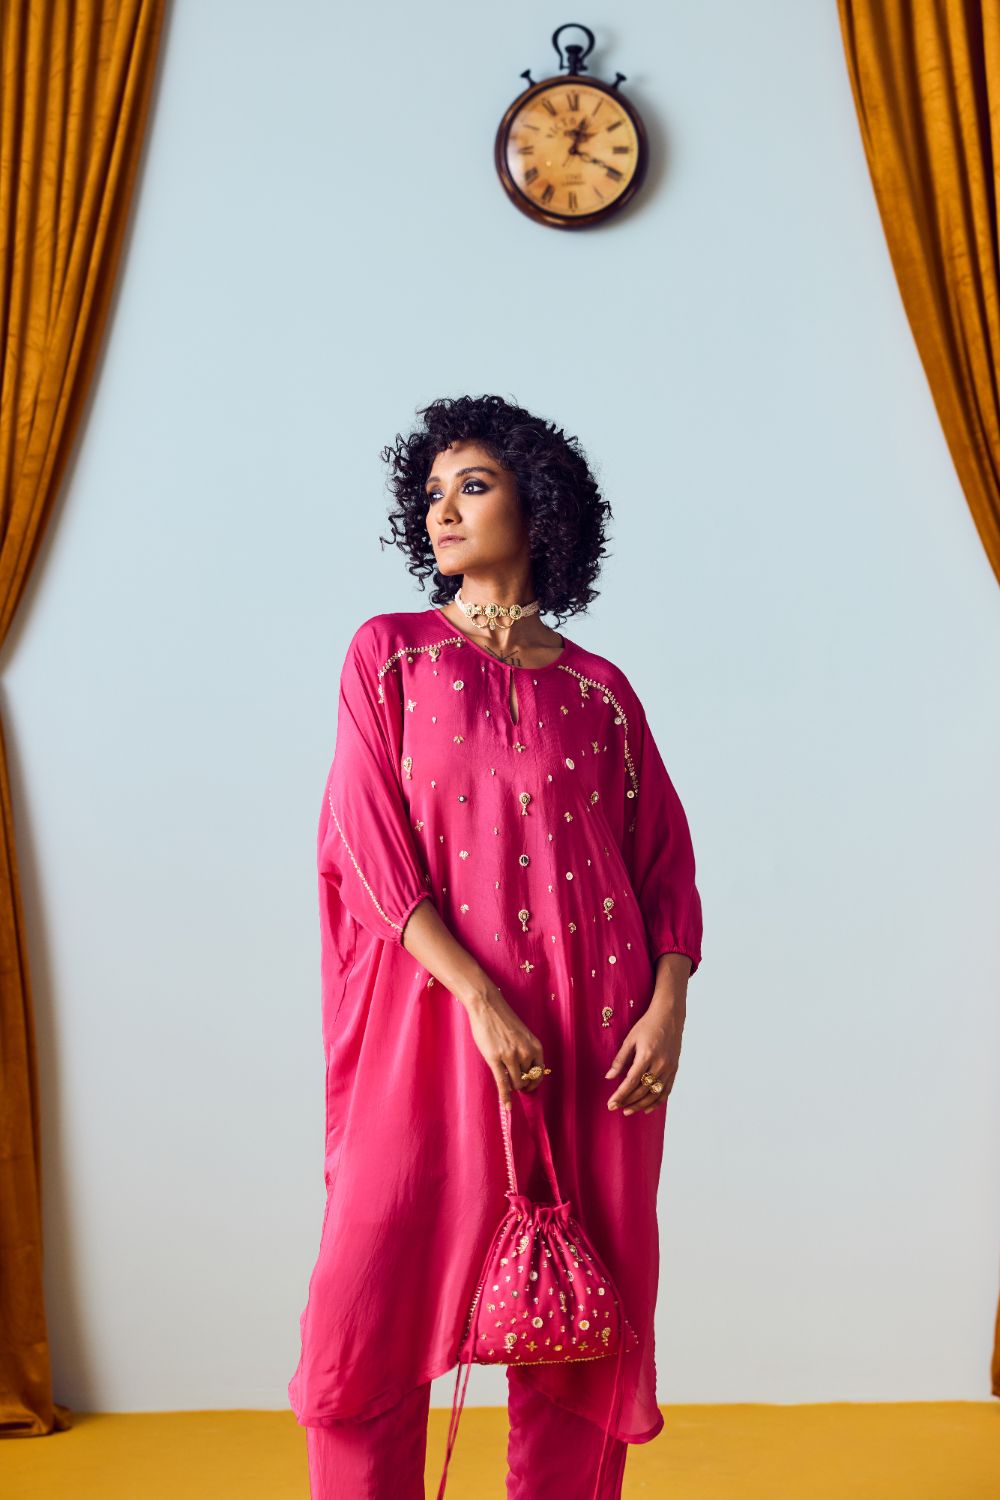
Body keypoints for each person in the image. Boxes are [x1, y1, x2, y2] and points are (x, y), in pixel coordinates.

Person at [287, 393, 704, 1499]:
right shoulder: (389, 656)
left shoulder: (601, 694)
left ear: (538, 505)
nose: (442, 510)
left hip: (593, 1044)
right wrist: (476, 995)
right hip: (429, 1031)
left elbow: (663, 868)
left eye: (471, 486)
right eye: (431, 492)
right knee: (369, 1297)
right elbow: (365, 845)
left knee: (578, 1324)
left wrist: (667, 1010)